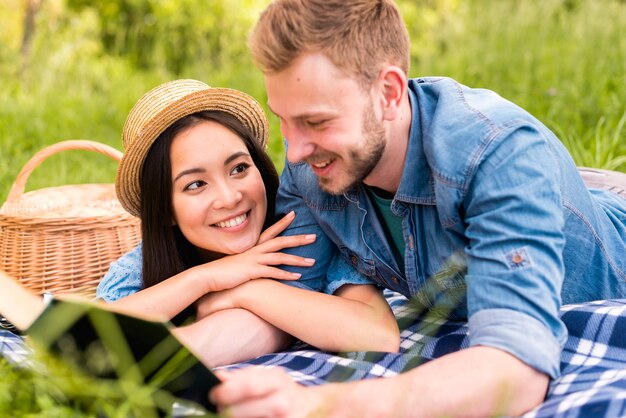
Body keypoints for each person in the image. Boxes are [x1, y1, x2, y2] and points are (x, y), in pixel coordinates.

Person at [207, 1, 626, 417]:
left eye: (316, 122)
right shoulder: (308, 170)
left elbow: (517, 369)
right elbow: (288, 302)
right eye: (284, 119)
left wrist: (320, 405)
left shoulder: (496, 152)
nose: (294, 151)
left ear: (388, 92)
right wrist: (175, 364)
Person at [1, 79, 400, 368]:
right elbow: (92, 339)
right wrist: (206, 279)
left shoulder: (303, 237)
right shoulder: (140, 270)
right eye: (195, 184)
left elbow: (378, 336)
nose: (229, 198)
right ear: (168, 212)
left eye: (239, 168)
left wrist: (243, 292)